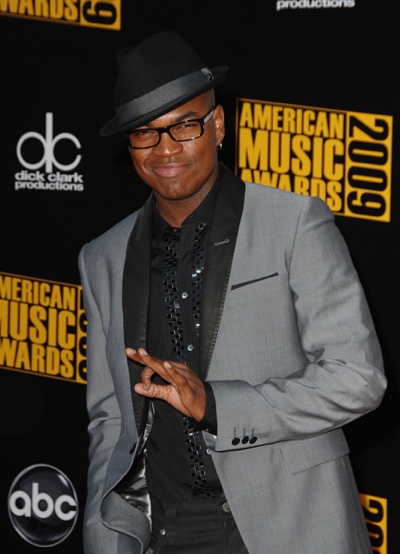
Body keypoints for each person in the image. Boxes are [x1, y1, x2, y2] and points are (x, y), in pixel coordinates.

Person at [78, 31, 387, 554]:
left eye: (184, 125)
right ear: (129, 145)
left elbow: (358, 378)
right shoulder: (102, 257)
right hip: (165, 531)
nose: (166, 149)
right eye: (145, 133)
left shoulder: (294, 222)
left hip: (290, 525)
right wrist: (104, 536)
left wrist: (219, 405)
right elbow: (110, 418)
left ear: (217, 125)